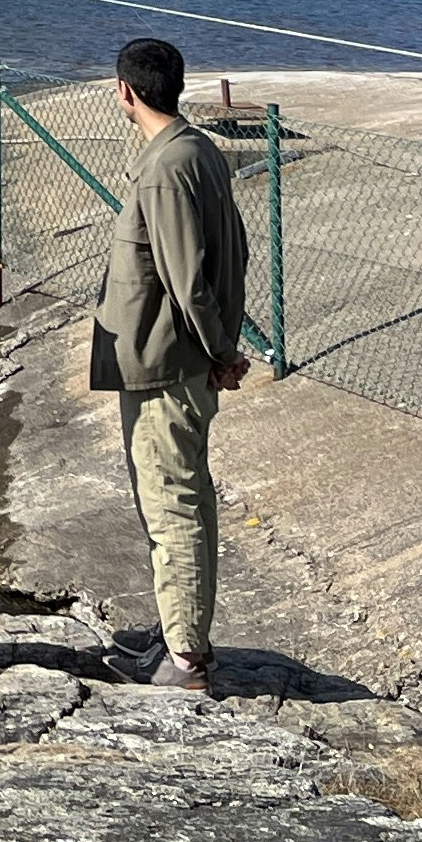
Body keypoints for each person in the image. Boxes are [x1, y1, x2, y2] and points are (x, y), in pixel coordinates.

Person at [93, 36, 254, 692]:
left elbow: (186, 278)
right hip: (180, 359)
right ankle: (179, 634)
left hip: (166, 365)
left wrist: (221, 351)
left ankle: (186, 658)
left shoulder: (165, 166)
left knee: (173, 508)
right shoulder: (198, 149)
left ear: (125, 92)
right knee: (186, 499)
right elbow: (234, 252)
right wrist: (222, 343)